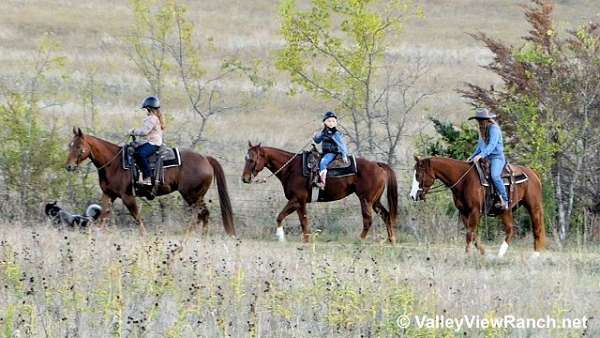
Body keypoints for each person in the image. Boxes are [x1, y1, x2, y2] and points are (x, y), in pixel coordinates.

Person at [467, 107, 509, 210]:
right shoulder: (482, 130)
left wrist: (481, 155)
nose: (479, 122)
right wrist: (471, 157)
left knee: (495, 176)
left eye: (481, 120)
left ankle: (505, 200)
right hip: (485, 157)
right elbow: (479, 147)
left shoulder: (494, 128)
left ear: (486, 119)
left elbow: (492, 145)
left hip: (496, 157)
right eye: (478, 120)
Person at [128, 96, 166, 185]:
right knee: (136, 151)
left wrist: (133, 131)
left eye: (145, 109)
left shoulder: (152, 118)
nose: (144, 111)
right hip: (153, 141)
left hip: (154, 143)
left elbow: (145, 132)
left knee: (140, 154)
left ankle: (147, 177)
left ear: (148, 108)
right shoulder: (155, 118)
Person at [312, 111, 349, 189]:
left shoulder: (336, 133)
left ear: (336, 123)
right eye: (329, 121)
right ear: (324, 122)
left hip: (333, 153)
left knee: (323, 162)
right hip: (325, 152)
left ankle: (322, 182)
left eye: (333, 121)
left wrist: (344, 155)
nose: (331, 123)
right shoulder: (324, 132)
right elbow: (317, 141)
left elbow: (342, 145)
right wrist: (316, 135)